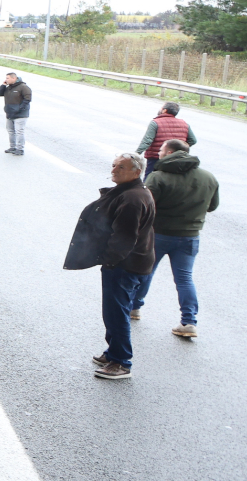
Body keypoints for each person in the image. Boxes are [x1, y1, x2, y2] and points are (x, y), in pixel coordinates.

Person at [63, 154, 155, 379]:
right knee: (114, 311)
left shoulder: (132, 198)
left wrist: (110, 260)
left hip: (125, 265)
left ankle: (121, 362)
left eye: (120, 167)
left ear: (135, 172)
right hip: (128, 262)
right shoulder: (132, 192)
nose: (114, 170)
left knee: (117, 313)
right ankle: (113, 352)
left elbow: (124, 237)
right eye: (114, 165)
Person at [133, 140, 219, 338]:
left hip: (159, 233)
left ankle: (134, 308)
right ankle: (188, 321)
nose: (159, 153)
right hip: (190, 236)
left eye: (161, 150)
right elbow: (212, 206)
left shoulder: (158, 176)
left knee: (146, 270)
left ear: (169, 152)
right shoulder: (208, 177)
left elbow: (146, 205)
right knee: (184, 278)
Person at [137, 102, 197, 178]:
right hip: (177, 158)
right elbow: (193, 140)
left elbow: (147, 141)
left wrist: (136, 154)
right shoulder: (184, 124)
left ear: (164, 110)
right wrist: (181, 148)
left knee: (150, 178)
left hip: (156, 157)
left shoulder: (155, 123)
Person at [0, 72, 32, 155]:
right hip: (10, 113)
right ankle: (12, 147)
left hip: (20, 114)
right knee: (10, 130)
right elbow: (0, 93)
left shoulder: (23, 87)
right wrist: (3, 85)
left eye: (8, 78)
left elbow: (27, 99)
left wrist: (20, 108)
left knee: (19, 131)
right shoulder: (8, 87)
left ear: (14, 78)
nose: (6, 79)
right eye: (6, 78)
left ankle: (20, 148)